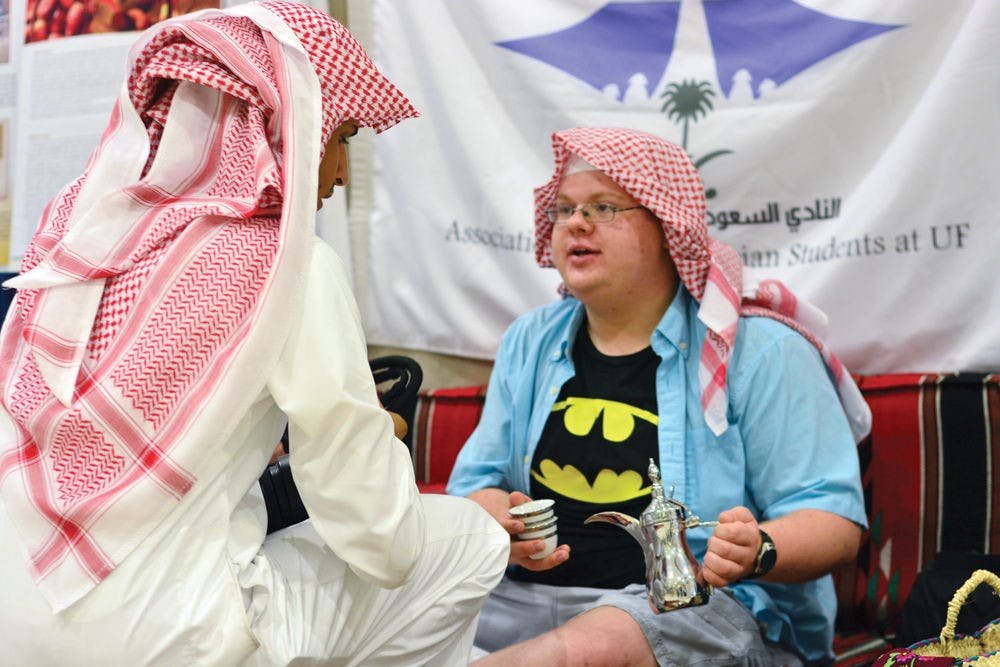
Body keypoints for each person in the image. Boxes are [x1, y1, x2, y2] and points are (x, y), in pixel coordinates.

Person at [0, 3, 508, 665]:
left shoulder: (75, 235)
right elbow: (378, 538)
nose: (342, 173)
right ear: (290, 128)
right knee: (466, 539)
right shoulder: (286, 263)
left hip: (16, 628)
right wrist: (374, 443)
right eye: (342, 138)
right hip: (171, 640)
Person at [447, 127, 871, 666]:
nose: (576, 222)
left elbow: (833, 522)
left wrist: (757, 549)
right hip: (523, 599)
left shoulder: (759, 350)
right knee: (389, 605)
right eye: (565, 209)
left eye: (604, 207)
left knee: (600, 642)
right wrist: (497, 519)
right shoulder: (531, 340)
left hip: (695, 608)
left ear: (669, 226)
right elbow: (475, 485)